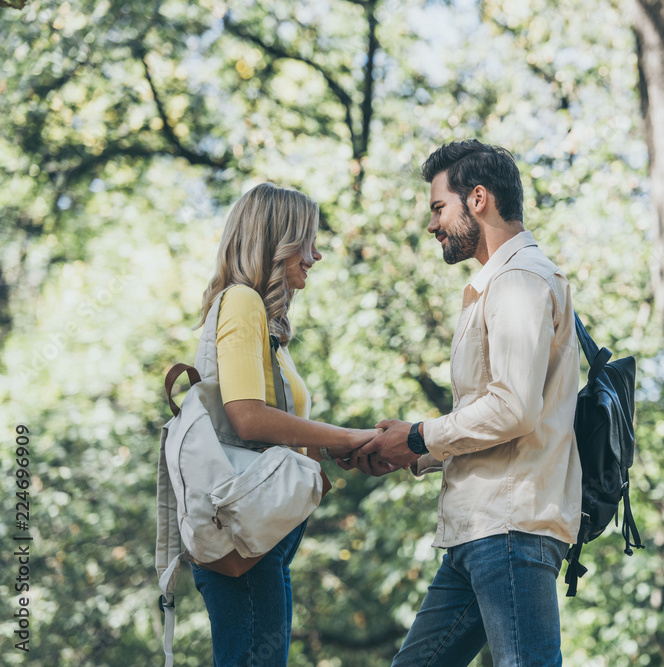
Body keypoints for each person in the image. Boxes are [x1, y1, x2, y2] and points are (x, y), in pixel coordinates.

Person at [347, 140, 582, 666]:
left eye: (438, 208)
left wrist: (416, 437)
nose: (432, 226)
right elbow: (497, 414)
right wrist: (415, 450)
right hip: (479, 531)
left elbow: (515, 409)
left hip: (510, 528)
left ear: (478, 199)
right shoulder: (498, 282)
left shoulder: (518, 281)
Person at [193, 182, 379, 667]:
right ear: (274, 240)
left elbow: (277, 423)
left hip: (263, 540)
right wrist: (350, 436)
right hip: (244, 538)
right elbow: (247, 417)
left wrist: (327, 449)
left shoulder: (260, 318)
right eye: (306, 240)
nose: (315, 255)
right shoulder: (241, 302)